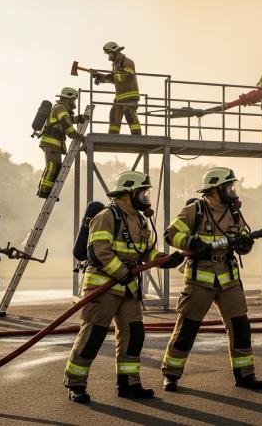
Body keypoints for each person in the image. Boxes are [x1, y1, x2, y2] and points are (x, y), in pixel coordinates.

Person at [63, 171, 183, 403]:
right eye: (142, 192)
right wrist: (123, 274)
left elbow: (145, 251)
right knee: (93, 335)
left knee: (133, 334)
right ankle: (75, 383)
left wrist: (165, 259)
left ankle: (129, 383)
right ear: (128, 193)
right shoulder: (105, 216)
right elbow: (100, 252)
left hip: (128, 288)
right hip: (104, 286)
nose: (145, 197)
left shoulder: (139, 219)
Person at [161, 167, 262, 392]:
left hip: (229, 280)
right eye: (228, 186)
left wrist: (245, 244)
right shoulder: (195, 210)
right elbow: (171, 234)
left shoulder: (235, 212)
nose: (232, 190)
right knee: (187, 329)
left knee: (240, 328)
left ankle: (245, 375)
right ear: (216, 189)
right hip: (200, 279)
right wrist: (192, 243)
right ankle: (171, 374)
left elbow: (241, 239)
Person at [37, 87, 83, 198]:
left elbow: (68, 120)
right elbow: (66, 124)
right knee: (52, 166)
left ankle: (47, 191)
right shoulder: (61, 108)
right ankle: (44, 191)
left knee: (56, 167)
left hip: (54, 143)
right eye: (73, 99)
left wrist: (79, 118)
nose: (74, 102)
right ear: (68, 98)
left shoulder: (61, 109)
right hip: (51, 142)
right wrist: (77, 135)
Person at [93, 41, 141, 135]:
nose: (109, 58)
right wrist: (102, 78)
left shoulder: (127, 62)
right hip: (120, 97)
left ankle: (137, 135)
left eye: (109, 54)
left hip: (129, 96)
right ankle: (112, 135)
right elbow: (115, 79)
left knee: (129, 113)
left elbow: (128, 76)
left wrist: (111, 76)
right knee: (114, 114)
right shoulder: (116, 65)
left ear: (115, 52)